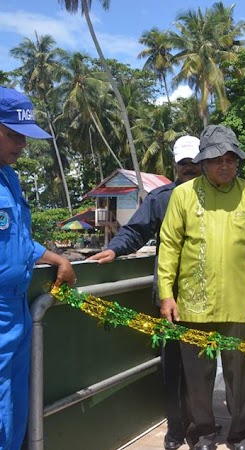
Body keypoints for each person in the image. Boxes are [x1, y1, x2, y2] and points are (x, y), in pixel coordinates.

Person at [157, 125, 245, 450]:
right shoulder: (184, 194)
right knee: (197, 376)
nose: (225, 166)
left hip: (242, 303)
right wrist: (167, 293)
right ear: (203, 162)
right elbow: (170, 246)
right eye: (216, 160)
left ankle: (240, 433)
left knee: (241, 375)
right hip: (194, 303)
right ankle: (203, 433)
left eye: (231, 159)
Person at [88, 135, 202, 450]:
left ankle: (201, 426)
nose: (189, 169)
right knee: (172, 365)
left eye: (194, 163)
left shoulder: (215, 197)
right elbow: (136, 230)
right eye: (184, 164)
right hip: (170, 298)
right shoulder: (160, 198)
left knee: (203, 364)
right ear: (176, 165)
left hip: (209, 297)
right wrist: (113, 250)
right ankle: (176, 427)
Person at [0, 86, 76, 450]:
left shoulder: (10, 179)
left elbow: (17, 241)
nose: (22, 145)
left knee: (15, 405)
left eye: (24, 137)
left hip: (17, 310)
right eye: (13, 135)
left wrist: (56, 257)